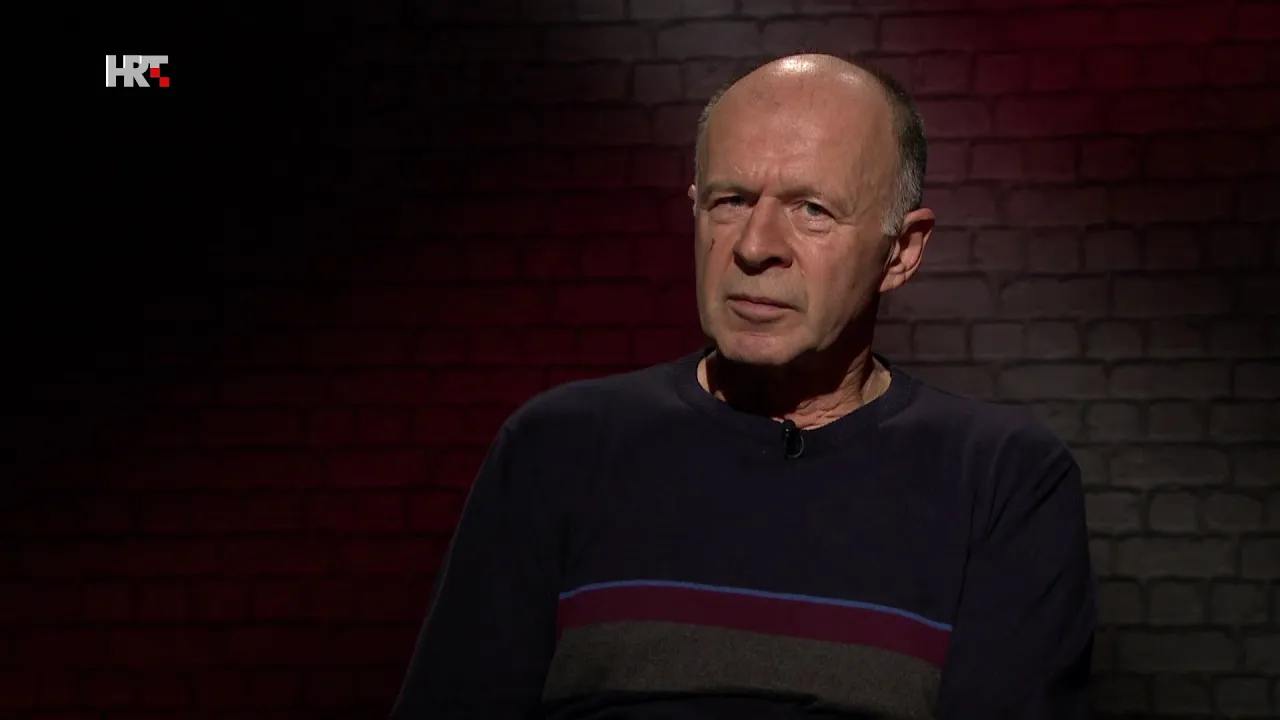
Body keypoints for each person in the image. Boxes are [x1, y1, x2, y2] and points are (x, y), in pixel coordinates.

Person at [390, 53, 1095, 719]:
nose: (756, 246)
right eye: (729, 201)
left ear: (902, 252)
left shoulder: (1001, 479)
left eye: (812, 209)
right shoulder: (560, 448)